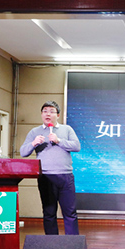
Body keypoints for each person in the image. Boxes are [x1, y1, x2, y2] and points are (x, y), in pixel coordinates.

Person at [20, 100, 81, 235]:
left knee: (70, 212)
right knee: (49, 212)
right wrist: (34, 143)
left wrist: (59, 141)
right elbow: (23, 152)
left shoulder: (67, 129)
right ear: (41, 114)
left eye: (52, 111)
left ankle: (72, 242)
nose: (48, 114)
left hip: (65, 176)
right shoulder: (35, 131)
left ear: (58, 115)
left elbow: (77, 146)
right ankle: (51, 242)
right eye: (45, 111)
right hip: (46, 177)